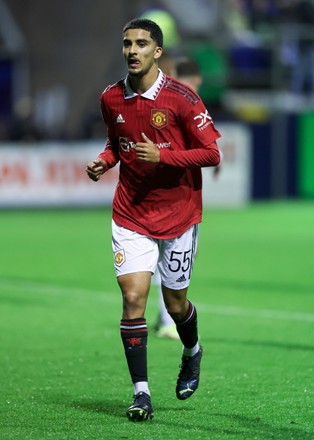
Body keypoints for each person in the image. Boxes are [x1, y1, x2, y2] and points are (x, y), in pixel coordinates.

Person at [86, 18, 221, 422]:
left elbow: (212, 154)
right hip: (131, 213)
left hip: (179, 216)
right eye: (127, 43)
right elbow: (117, 142)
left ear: (157, 51)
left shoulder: (183, 98)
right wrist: (104, 162)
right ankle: (141, 393)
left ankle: (192, 351)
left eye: (142, 44)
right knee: (132, 299)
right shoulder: (111, 98)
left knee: (176, 304)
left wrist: (165, 157)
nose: (132, 50)